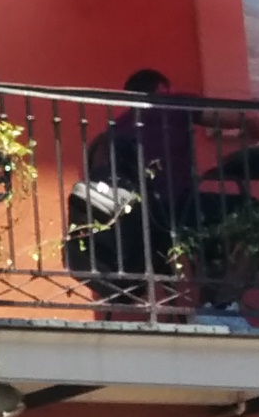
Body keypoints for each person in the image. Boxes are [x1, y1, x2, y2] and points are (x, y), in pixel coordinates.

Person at [63, 68, 201, 315]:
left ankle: (138, 301)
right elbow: (233, 117)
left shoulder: (117, 129)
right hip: (177, 209)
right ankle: (219, 302)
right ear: (161, 89)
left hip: (134, 220)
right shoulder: (173, 103)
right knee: (229, 218)